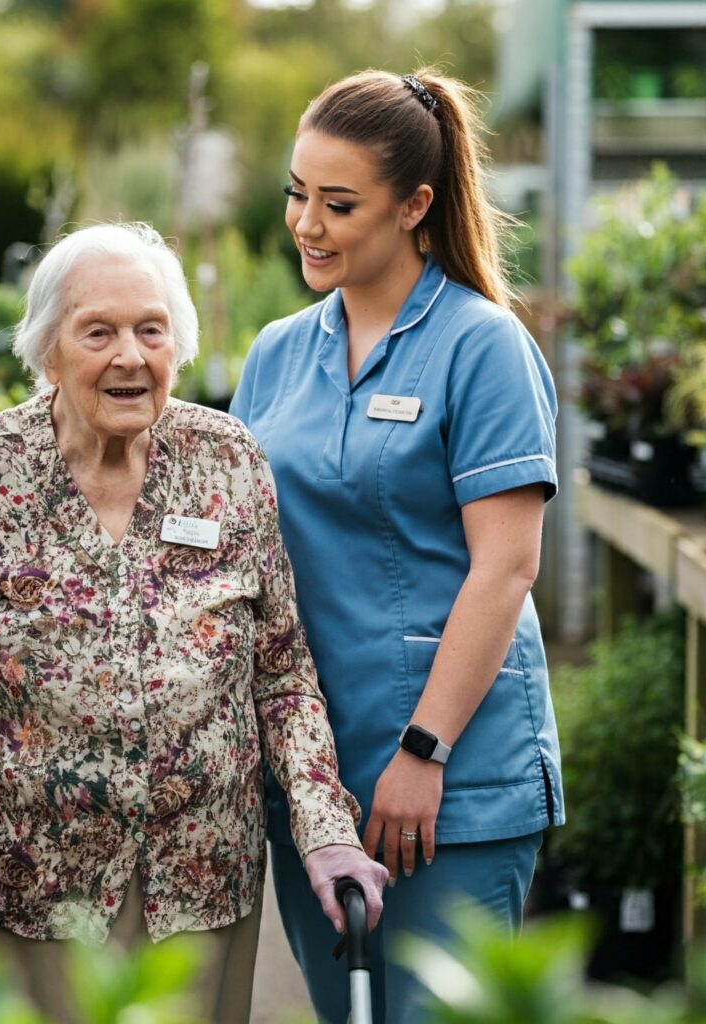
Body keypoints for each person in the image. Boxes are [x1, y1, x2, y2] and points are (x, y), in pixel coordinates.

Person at [0, 222, 387, 1024]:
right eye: (97, 332)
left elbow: (281, 676)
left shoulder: (229, 462)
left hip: (201, 889)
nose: (130, 357)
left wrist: (326, 828)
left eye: (151, 330)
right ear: (49, 352)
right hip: (30, 891)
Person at [229, 69, 562, 1024]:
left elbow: (507, 567)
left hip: (452, 781)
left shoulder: (480, 346)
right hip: (317, 784)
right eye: (297, 193)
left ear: (416, 205)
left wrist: (425, 750)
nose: (308, 224)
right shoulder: (276, 354)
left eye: (340, 205)